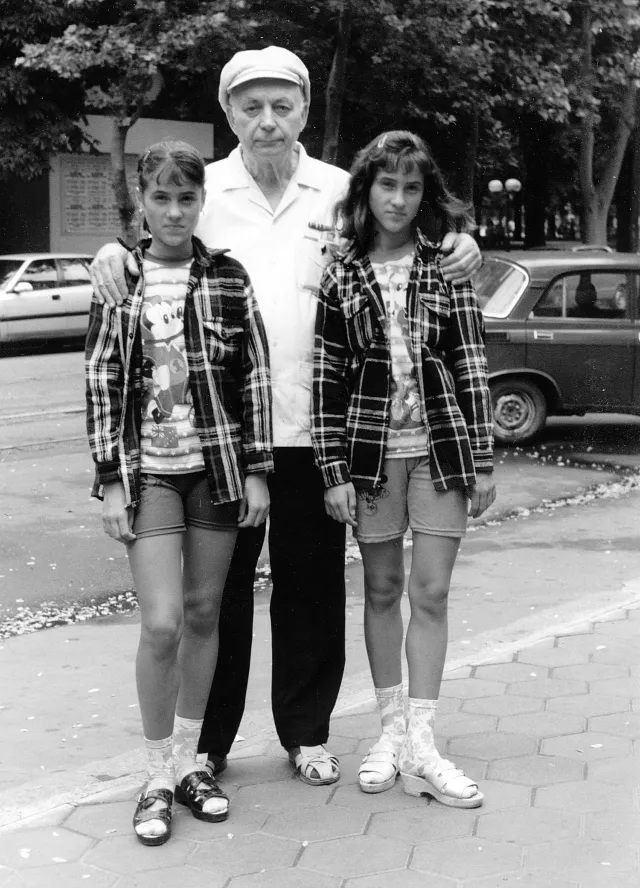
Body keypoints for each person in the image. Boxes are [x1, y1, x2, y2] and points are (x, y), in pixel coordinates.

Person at [88, 47, 483, 788]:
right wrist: (111, 252)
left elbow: (409, 232)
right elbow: (155, 234)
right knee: (219, 596)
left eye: (282, 105)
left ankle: (305, 733)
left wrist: (464, 242)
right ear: (228, 112)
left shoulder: (338, 190)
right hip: (226, 438)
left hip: (318, 431)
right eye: (251, 107)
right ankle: (208, 744)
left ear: (304, 109)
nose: (267, 121)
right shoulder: (207, 188)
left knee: (311, 588)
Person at [85, 140, 273, 845]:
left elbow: (254, 376)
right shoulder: (120, 279)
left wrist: (257, 469)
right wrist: (110, 480)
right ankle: (156, 773)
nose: (173, 211)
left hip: (216, 472)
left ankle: (193, 763)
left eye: (185, 198)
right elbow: (102, 381)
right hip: (152, 476)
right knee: (161, 623)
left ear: (201, 202)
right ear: (142, 202)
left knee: (203, 612)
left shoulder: (227, 277)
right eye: (160, 198)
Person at [312, 131, 496, 807]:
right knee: (382, 589)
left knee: (432, 592)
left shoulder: (446, 266)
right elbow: (326, 378)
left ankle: (423, 741)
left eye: (411, 187)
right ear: (366, 190)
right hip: (371, 456)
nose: (397, 199)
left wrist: (482, 458)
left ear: (425, 196)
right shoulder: (341, 272)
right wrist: (333, 470)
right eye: (386, 185)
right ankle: (389, 732)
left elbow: (471, 361)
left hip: (440, 451)